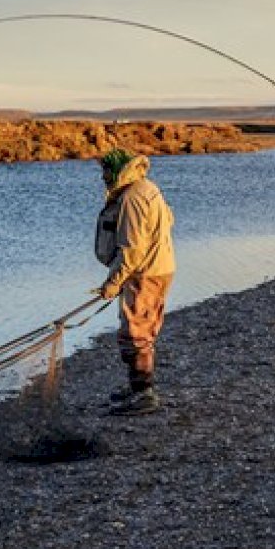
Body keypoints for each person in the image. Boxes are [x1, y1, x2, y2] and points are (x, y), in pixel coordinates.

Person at [94, 148, 175, 415]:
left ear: (119, 170)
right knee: (139, 329)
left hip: (146, 274)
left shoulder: (133, 198)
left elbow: (132, 249)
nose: (103, 177)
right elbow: (168, 221)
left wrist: (113, 283)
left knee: (135, 333)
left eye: (106, 171)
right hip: (154, 269)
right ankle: (137, 388)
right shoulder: (147, 188)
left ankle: (143, 394)